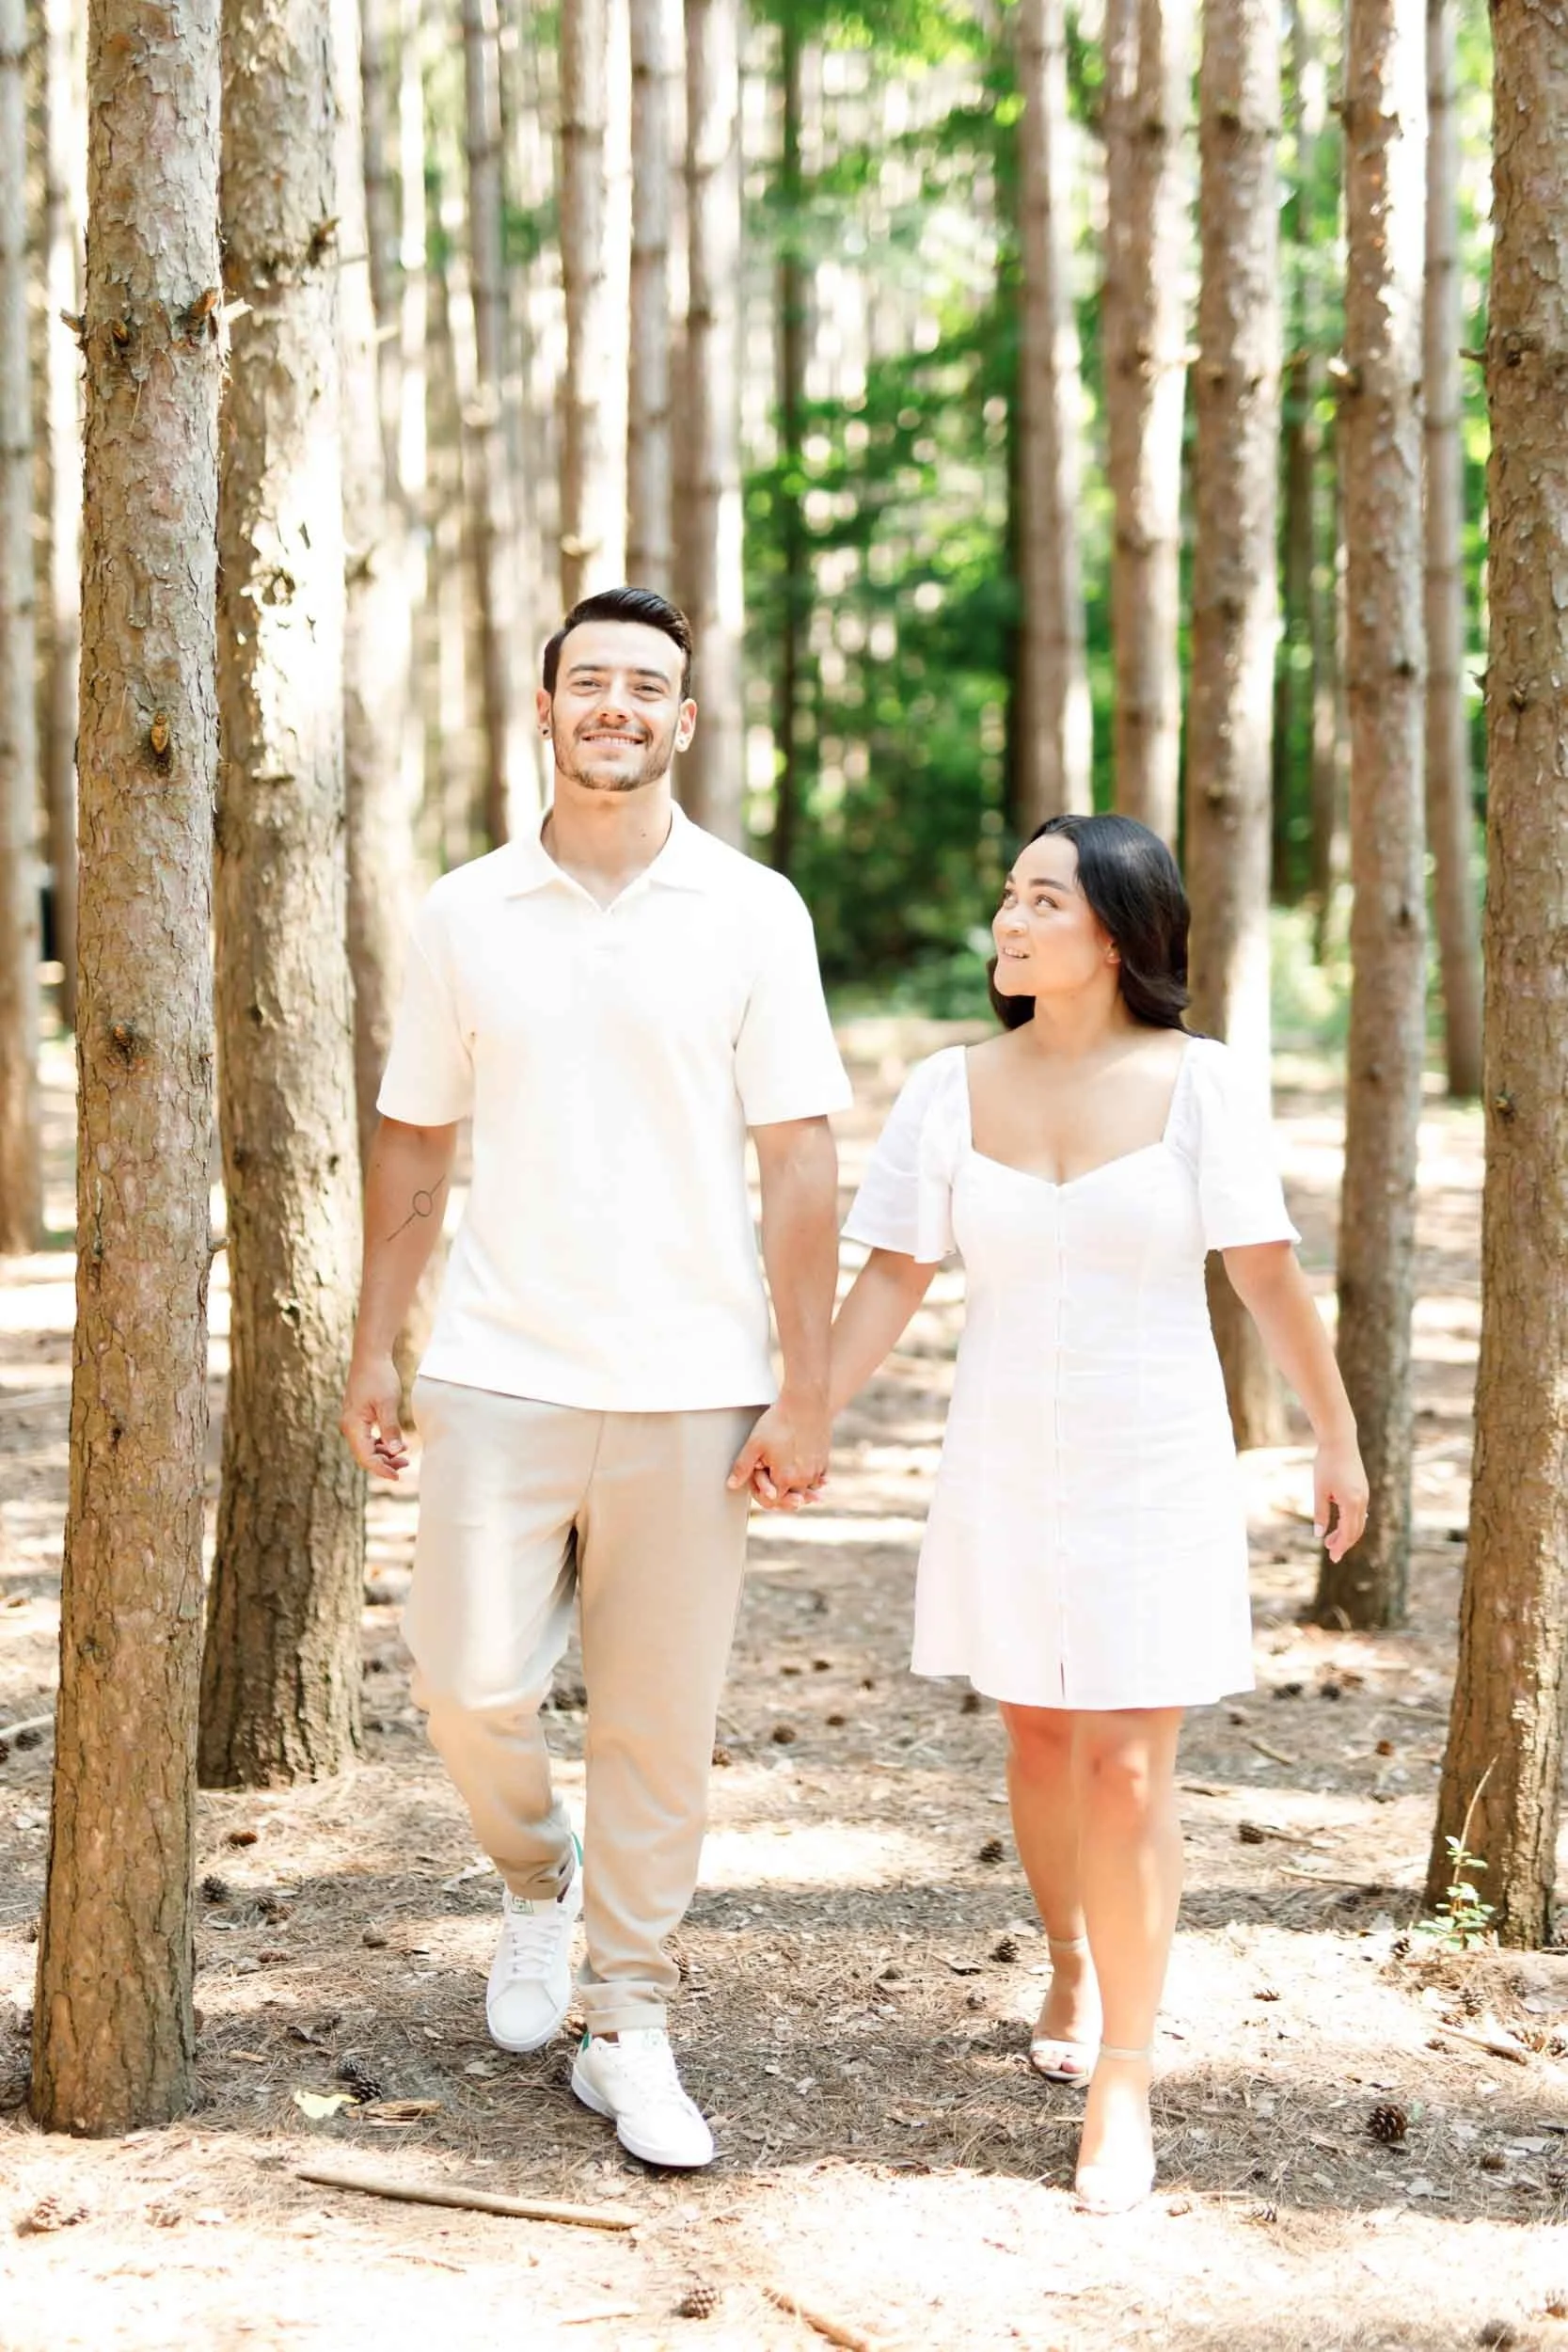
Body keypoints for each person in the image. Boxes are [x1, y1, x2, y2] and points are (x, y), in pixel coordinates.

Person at [340, 586, 849, 2169]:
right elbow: (417, 1134)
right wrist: (375, 1335)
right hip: (500, 1360)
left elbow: (802, 1162)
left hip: (697, 1377)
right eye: (589, 682)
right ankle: (533, 1878)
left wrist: (805, 1387)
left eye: (647, 685)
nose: (616, 705)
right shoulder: (463, 912)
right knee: (463, 1677)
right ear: (544, 710)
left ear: (683, 721)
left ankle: (630, 2024)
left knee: (656, 1719)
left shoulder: (755, 910)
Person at [827, 813, 1368, 2213]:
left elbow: (1261, 1273)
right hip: (1001, 1457)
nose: (1008, 920)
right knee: (1041, 1735)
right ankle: (1066, 1951)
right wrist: (803, 1411)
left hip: (1155, 1460)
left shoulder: (1200, 1086)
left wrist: (1335, 1432)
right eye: (1005, 894)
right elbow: (890, 1276)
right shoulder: (947, 1089)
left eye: (1042, 899)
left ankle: (1124, 2073)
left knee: (1128, 1765)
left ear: (1118, 933)